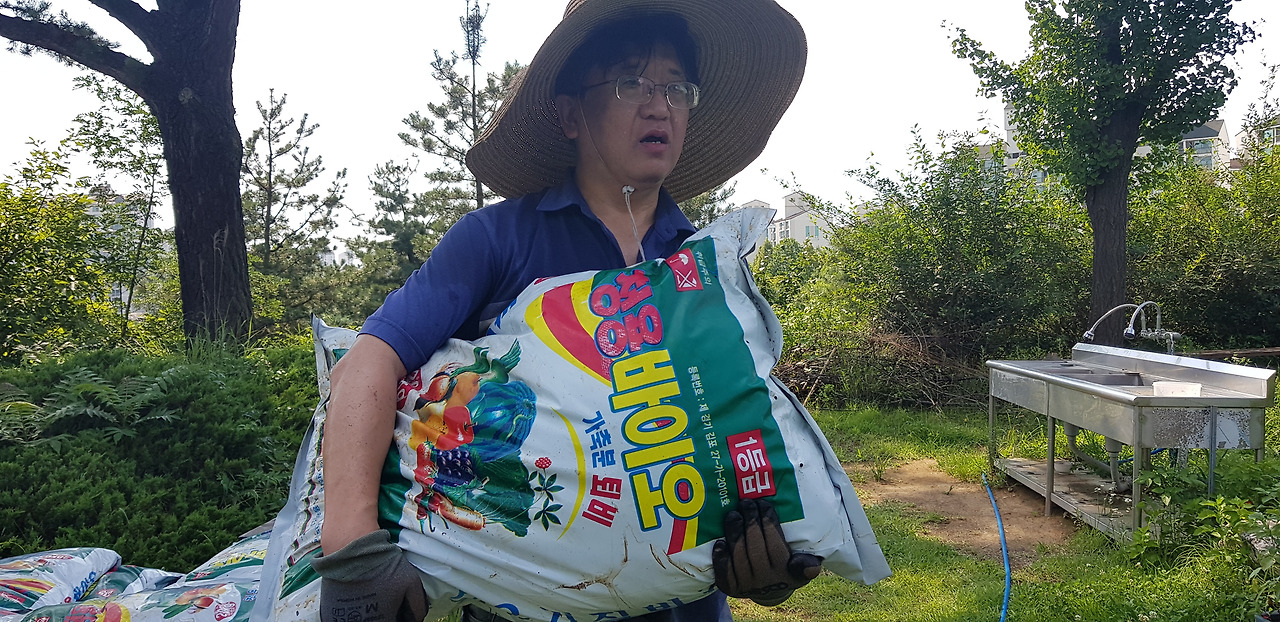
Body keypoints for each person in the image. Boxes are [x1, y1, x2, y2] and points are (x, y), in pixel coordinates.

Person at [311, 1, 811, 620]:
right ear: (571, 114)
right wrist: (354, 550)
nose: (660, 106)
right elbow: (367, 363)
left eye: (677, 88)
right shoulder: (497, 240)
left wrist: (774, 545)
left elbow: (734, 429)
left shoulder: (705, 268)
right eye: (632, 83)